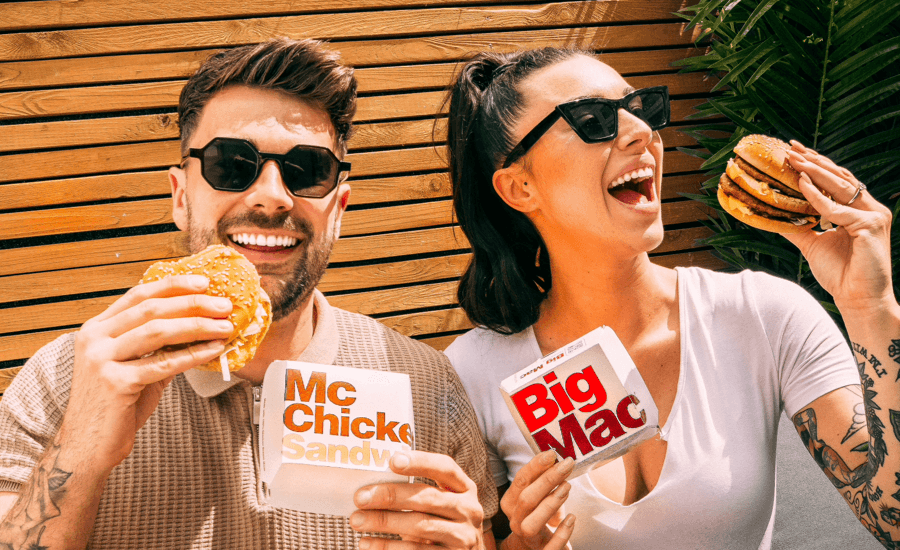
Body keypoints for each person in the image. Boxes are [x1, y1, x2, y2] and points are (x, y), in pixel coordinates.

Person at [0, 38, 497, 550]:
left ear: (339, 206)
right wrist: (78, 452)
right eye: (231, 164)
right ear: (180, 196)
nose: (272, 195)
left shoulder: (424, 386)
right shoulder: (65, 382)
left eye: (307, 170)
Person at [442, 46, 900, 550]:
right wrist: (520, 548)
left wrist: (871, 308)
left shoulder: (763, 315)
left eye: (640, 110)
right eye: (592, 119)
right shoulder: (469, 374)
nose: (642, 133)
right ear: (519, 187)